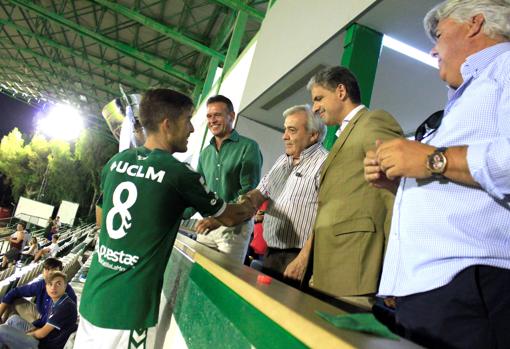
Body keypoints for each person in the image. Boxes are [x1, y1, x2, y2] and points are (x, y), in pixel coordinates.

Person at [364, 1, 510, 347]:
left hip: (471, 283)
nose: (433, 48)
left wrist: (434, 160)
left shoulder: (505, 67)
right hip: (430, 289)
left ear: (474, 24)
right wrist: (401, 180)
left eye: (440, 35)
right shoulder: (463, 99)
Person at [74, 89, 257, 348]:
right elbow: (229, 217)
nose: (193, 129)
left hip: (94, 296)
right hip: (129, 309)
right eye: (188, 120)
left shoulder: (115, 163)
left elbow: (102, 220)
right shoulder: (179, 174)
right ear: (167, 124)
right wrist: (252, 202)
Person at [296, 66, 403, 308]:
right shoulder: (342, 136)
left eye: (319, 98)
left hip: (355, 264)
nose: (314, 108)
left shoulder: (372, 121)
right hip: (330, 261)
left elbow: (394, 194)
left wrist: (394, 269)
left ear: (341, 91)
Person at [243, 105, 328, 284]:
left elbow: (326, 218)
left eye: (292, 130)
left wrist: (303, 259)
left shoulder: (325, 164)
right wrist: (244, 204)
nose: (284, 136)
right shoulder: (283, 160)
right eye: (285, 129)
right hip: (272, 252)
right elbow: (262, 190)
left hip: (299, 258)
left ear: (313, 135)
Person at [194, 95, 263, 262]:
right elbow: (198, 190)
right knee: (198, 274)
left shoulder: (248, 147)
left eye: (217, 115)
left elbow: (247, 193)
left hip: (235, 228)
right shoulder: (205, 153)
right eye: (209, 116)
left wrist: (219, 218)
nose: (212, 120)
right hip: (207, 226)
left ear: (231, 116)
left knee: (223, 279)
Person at [0, 271, 77, 349]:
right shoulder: (58, 300)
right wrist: (33, 331)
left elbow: (41, 334)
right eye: (50, 284)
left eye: (58, 284)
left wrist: (27, 335)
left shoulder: (65, 307)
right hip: (44, 338)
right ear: (46, 286)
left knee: (1, 329)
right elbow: (46, 326)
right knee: (13, 319)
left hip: (43, 345)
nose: (53, 287)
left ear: (65, 286)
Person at [0, 258, 77, 327]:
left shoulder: (66, 291)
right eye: (47, 269)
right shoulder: (42, 283)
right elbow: (15, 292)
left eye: (54, 270)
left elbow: (54, 319)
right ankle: (4, 324)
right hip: (41, 314)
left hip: (50, 326)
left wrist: (35, 326)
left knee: (14, 320)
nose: (50, 273)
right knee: (13, 299)